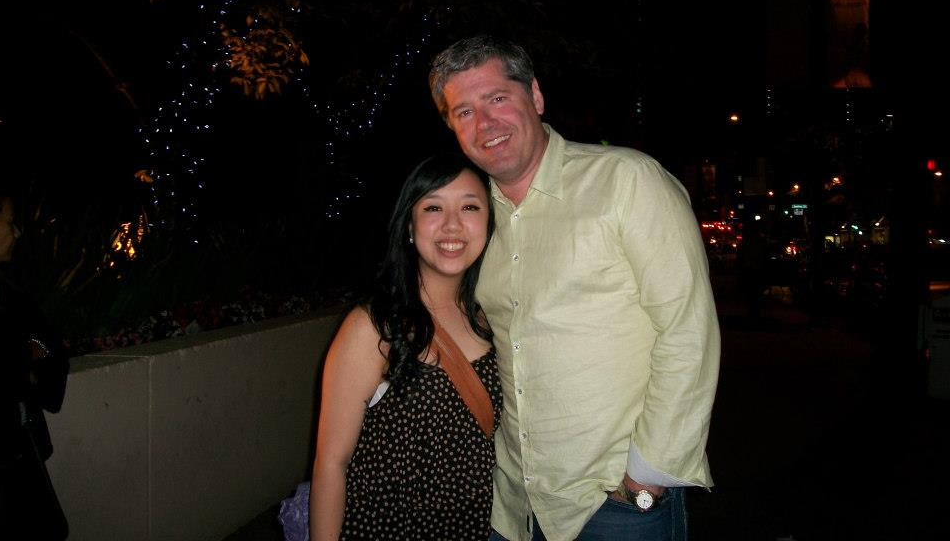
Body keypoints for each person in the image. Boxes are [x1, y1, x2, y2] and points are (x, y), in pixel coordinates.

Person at [429, 35, 721, 541]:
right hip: (516, 508)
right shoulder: (476, 220)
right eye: (464, 111)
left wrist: (644, 483)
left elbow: (688, 330)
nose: (485, 123)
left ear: (535, 97)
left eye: (498, 98)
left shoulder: (627, 180)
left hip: (615, 505)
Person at [308, 153, 501, 541]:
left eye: (469, 206)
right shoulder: (373, 326)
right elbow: (331, 464)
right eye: (433, 207)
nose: (452, 224)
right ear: (410, 228)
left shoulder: (494, 318)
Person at [0, 179, 70, 540]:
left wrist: (30, 362)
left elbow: (42, 344)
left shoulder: (8, 294)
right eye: (8, 222)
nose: (18, 232)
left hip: (17, 457)